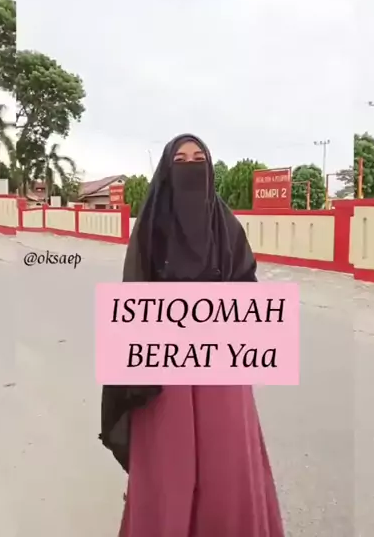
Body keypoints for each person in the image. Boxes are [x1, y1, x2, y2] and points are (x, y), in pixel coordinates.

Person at [99, 134, 285, 537]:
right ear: (167, 170)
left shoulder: (226, 225)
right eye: (181, 160)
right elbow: (135, 295)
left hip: (221, 365)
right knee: (170, 467)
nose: (190, 167)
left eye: (198, 159)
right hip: (164, 371)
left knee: (227, 464)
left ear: (210, 168)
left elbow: (247, 287)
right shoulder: (152, 228)